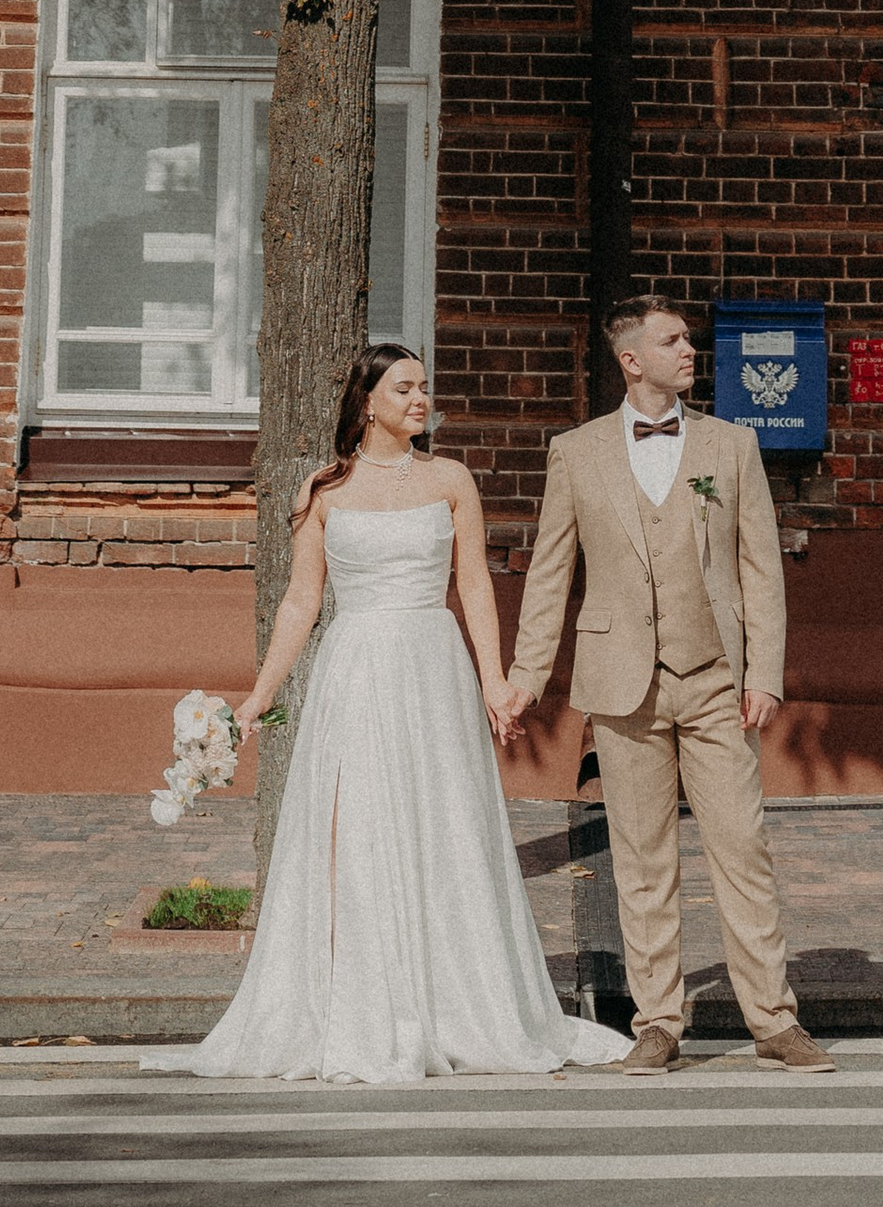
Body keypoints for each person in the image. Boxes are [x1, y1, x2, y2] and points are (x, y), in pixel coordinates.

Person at [146, 341, 632, 1083]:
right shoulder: (324, 490)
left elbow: (472, 583)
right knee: (360, 826)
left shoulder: (450, 480)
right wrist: (261, 691)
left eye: (424, 387)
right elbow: (302, 600)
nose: (420, 398)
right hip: (358, 669)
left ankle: (458, 1000)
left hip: (432, 665)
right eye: (404, 387)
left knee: (443, 823)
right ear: (367, 400)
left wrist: (494, 679)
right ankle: (365, 1001)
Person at [499, 295, 833, 1075]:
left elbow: (760, 569)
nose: (691, 350)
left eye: (689, 338)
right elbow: (550, 574)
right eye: (673, 340)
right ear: (631, 359)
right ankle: (658, 1022)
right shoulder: (575, 451)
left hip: (717, 677)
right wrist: (524, 677)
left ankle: (775, 1021)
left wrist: (765, 672)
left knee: (741, 848)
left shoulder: (732, 443)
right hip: (620, 682)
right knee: (642, 857)